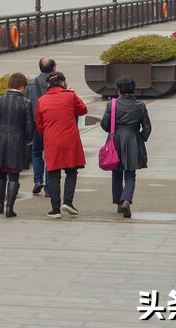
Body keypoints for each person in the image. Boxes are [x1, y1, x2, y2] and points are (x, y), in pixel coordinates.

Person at [35, 71, 87, 219]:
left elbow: (39, 126)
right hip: (70, 139)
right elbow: (83, 110)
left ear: (47, 84)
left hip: (52, 141)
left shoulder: (42, 100)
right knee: (71, 171)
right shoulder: (70, 95)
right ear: (63, 82)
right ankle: (68, 202)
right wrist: (72, 93)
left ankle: (55, 209)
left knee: (53, 174)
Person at [0, 72, 34, 218]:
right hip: (17, 141)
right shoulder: (26, 103)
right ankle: (9, 208)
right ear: (22, 86)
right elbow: (30, 128)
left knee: (1, 173)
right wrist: (27, 140)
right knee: (14, 175)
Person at [99, 76, 151, 218]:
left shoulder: (112, 105)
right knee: (130, 174)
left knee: (116, 172)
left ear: (119, 90)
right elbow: (147, 127)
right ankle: (126, 200)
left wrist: (112, 131)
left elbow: (104, 124)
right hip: (133, 139)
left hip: (116, 139)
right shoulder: (140, 105)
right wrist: (140, 138)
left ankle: (118, 202)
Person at [25, 57, 56, 196]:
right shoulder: (58, 84)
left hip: (37, 126)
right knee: (50, 155)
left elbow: (26, 105)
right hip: (53, 126)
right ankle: (49, 187)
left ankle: (38, 180)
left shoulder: (31, 84)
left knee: (36, 153)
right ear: (54, 68)